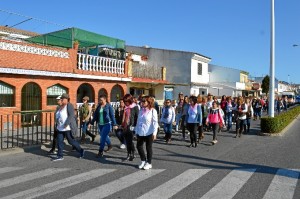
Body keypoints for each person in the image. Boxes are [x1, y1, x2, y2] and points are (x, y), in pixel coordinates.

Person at [52, 93, 85, 161]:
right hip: (60, 127)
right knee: (59, 141)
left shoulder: (69, 105)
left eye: (63, 99)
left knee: (71, 141)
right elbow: (57, 115)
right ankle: (60, 155)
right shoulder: (59, 107)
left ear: (67, 99)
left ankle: (81, 150)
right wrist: (57, 122)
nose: (62, 100)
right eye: (61, 98)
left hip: (67, 128)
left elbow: (71, 115)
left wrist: (66, 123)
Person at [135, 96, 159, 170]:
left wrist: (154, 133)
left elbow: (155, 123)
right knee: (138, 146)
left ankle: (149, 163)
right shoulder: (141, 110)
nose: (142, 103)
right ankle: (143, 160)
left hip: (149, 132)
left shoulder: (153, 111)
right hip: (140, 131)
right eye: (141, 101)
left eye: (144, 101)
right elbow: (138, 121)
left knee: (148, 148)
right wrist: (136, 131)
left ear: (149, 102)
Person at [122, 94, 139, 161]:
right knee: (127, 141)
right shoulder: (126, 107)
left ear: (130, 100)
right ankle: (129, 153)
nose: (125, 103)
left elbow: (137, 117)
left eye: (126, 101)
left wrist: (135, 126)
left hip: (132, 126)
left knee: (129, 141)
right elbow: (125, 116)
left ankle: (132, 153)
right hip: (126, 125)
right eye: (124, 101)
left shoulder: (135, 107)